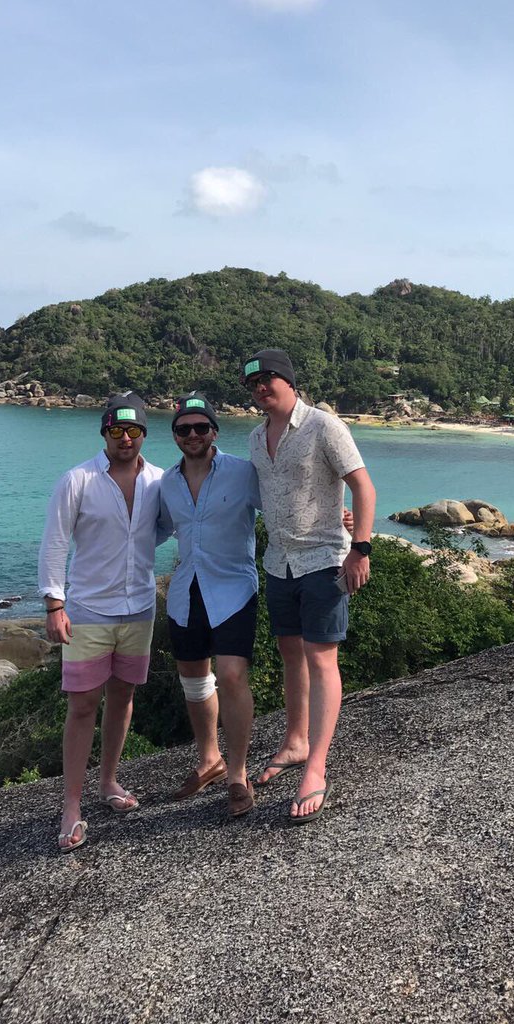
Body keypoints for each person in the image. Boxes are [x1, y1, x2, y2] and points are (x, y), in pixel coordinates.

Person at [241, 349, 376, 824]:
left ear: (289, 380)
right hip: (279, 563)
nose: (261, 387)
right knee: (289, 653)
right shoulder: (257, 438)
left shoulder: (323, 425)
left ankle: (316, 766)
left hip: (323, 560)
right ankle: (295, 742)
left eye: (269, 378)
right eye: (253, 382)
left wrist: (360, 547)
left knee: (321, 659)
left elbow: (363, 485)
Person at [38, 392, 164, 852]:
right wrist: (55, 605)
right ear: (104, 433)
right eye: (116, 431)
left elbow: (172, 523)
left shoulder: (158, 481)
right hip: (89, 608)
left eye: (133, 431)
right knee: (83, 704)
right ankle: (72, 804)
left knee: (124, 695)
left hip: (139, 607)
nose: (125, 439)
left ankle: (108, 781)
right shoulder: (78, 480)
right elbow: (54, 543)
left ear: (144, 434)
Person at [158, 394, 261, 818]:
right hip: (186, 590)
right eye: (184, 429)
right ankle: (209, 760)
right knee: (194, 680)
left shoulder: (241, 473)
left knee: (232, 675)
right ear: (176, 435)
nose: (193, 435)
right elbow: (155, 529)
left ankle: (237, 774)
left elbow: (285, 505)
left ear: (214, 431)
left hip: (234, 588)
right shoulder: (166, 482)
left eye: (201, 427)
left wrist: (341, 522)